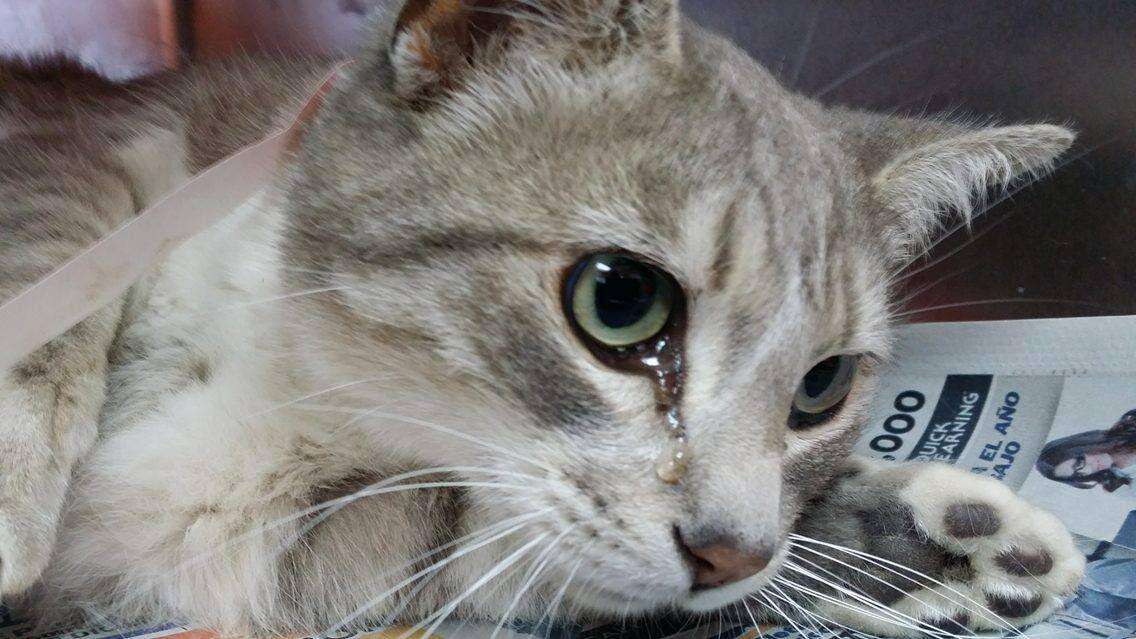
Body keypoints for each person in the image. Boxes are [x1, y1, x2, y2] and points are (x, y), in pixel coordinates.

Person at [1036, 409, 1136, 492]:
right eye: (1079, 474)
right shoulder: (1122, 485)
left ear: (1080, 446)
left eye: (1079, 462)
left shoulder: (1131, 423)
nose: (1088, 469)